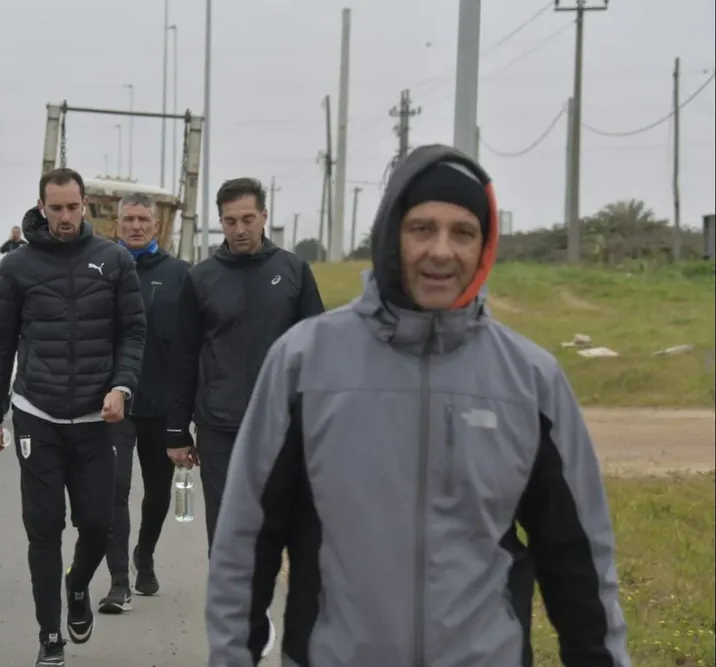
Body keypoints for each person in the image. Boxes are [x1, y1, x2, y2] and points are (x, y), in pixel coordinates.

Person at [205, 145, 632, 667]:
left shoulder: (530, 380)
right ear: (391, 235)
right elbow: (246, 539)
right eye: (422, 229)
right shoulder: (304, 364)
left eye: (463, 233)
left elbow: (579, 562)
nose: (441, 251)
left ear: (484, 247)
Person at [0, 167, 146, 666]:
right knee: (44, 528)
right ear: (42, 207)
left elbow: (133, 332)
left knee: (97, 523)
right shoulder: (17, 267)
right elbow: (0, 343)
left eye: (73, 207)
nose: (65, 216)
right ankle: (50, 636)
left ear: (85, 205)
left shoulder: (114, 260)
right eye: (56, 209)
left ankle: (78, 586)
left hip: (98, 416)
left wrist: (122, 386)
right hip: (37, 413)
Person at [166, 176, 324, 656]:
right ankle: (240, 631)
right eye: (230, 221)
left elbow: (319, 351)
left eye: (247, 219)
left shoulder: (293, 271)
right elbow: (183, 355)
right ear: (220, 222)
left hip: (284, 429)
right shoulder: (201, 279)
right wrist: (176, 430)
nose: (239, 229)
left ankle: (279, 622)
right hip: (220, 427)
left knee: (288, 533)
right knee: (227, 538)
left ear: (264, 217)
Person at [98, 192, 190, 614]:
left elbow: (192, 345)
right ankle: (119, 580)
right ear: (117, 224)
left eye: (143, 220)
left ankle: (145, 553)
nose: (136, 226)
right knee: (114, 487)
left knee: (158, 490)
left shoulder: (180, 274)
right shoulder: (103, 268)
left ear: (156, 226)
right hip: (114, 402)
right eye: (129, 219)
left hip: (162, 402)